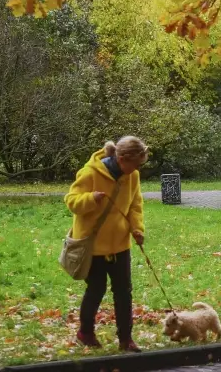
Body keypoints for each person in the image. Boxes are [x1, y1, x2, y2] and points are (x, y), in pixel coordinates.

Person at [64, 136, 149, 353]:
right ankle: (85, 332)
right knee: (96, 289)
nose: (138, 168)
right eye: (136, 163)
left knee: (124, 292)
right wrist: (91, 198)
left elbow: (135, 205)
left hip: (120, 244)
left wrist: (137, 229)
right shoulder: (91, 173)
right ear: (121, 158)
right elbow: (71, 201)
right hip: (93, 246)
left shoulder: (133, 176)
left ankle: (126, 339)